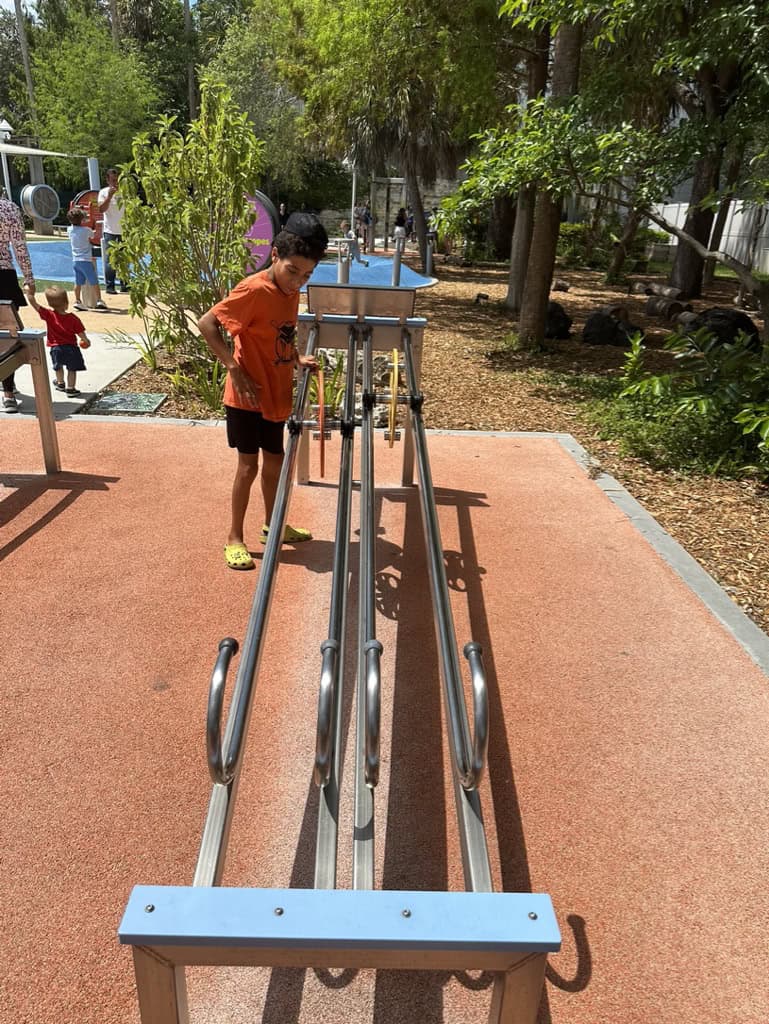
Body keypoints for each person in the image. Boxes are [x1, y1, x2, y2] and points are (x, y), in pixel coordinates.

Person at [197, 211, 327, 570]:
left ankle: (274, 526)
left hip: (275, 394)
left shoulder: (290, 290)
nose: (298, 281)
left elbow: (277, 332)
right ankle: (234, 537)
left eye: (307, 275)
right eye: (293, 271)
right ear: (274, 256)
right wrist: (233, 367)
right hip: (246, 397)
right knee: (247, 467)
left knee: (276, 464)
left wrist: (296, 356)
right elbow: (207, 323)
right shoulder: (253, 289)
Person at [0, 195, 35, 413]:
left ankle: (8, 388)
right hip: (4, 276)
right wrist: (29, 277)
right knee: (8, 333)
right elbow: (19, 246)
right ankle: (8, 390)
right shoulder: (9, 209)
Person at [24, 284, 90, 397]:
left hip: (56, 348)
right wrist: (85, 340)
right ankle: (71, 388)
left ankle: (60, 383)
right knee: (72, 369)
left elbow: (34, 304)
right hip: (71, 348)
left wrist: (29, 293)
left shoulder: (49, 315)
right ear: (66, 302)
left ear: (50, 303)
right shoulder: (73, 318)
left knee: (58, 366)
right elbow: (80, 333)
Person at [67, 209, 107, 311]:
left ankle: (77, 301)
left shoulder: (69, 230)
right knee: (94, 281)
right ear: (82, 219)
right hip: (86, 259)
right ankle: (99, 300)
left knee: (78, 282)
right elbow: (93, 236)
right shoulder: (86, 230)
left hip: (76, 260)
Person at [98, 167, 129, 294]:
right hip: (110, 231)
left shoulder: (125, 192)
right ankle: (110, 286)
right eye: (113, 180)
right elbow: (101, 209)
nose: (116, 183)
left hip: (124, 231)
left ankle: (125, 284)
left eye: (118, 180)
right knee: (110, 260)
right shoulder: (103, 192)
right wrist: (109, 197)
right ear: (107, 180)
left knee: (125, 259)